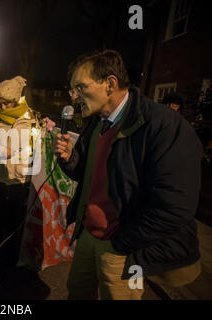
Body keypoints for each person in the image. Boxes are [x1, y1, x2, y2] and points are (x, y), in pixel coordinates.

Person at [53, 50, 203, 299]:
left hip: (122, 246)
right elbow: (89, 175)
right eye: (72, 89)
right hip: (88, 235)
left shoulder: (163, 125)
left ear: (110, 84)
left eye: (80, 87)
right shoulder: (97, 121)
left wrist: (120, 242)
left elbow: (176, 205)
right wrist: (70, 159)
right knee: (77, 292)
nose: (73, 96)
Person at [0, 76, 40, 269]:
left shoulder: (29, 118)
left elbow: (38, 142)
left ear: (15, 100)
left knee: (16, 223)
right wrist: (1, 151)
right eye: (0, 103)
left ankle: (13, 258)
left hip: (20, 183)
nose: (2, 108)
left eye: (6, 103)